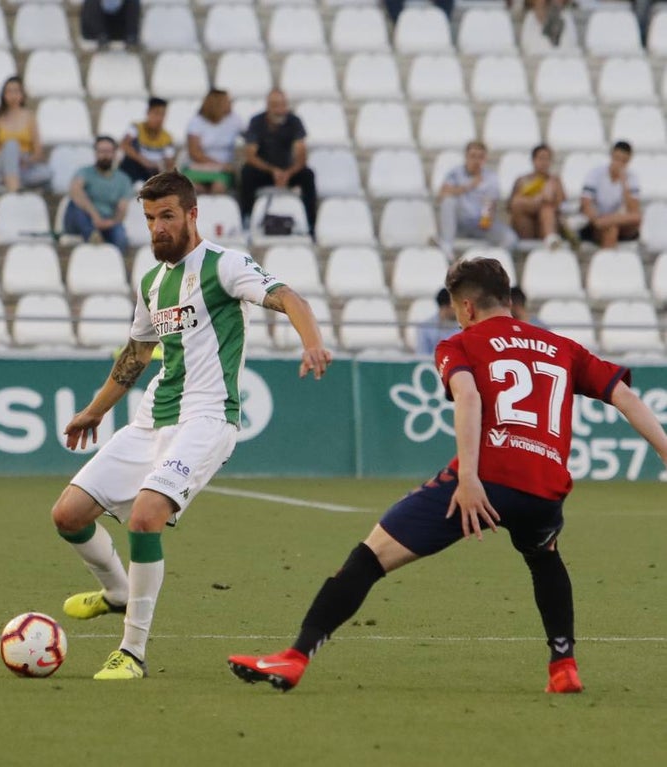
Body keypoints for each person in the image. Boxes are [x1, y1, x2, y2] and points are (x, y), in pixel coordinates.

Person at [227, 257, 667, 695]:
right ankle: (563, 666)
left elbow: (469, 397)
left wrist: (471, 478)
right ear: (508, 301)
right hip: (544, 490)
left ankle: (295, 657)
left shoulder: (461, 344)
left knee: (369, 557)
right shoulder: (562, 347)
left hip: (482, 481)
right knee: (544, 555)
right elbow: (626, 398)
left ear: (467, 309)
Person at [52, 170, 333, 680]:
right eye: (149, 219)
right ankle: (117, 591)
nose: (157, 228)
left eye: (167, 217)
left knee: (145, 516)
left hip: (207, 418)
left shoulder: (224, 266)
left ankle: (132, 652)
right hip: (152, 418)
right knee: (68, 514)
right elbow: (137, 353)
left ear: (191, 214)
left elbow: (291, 298)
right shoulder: (153, 282)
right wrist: (95, 409)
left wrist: (311, 341)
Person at [239, 89, 317, 231]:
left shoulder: (294, 121)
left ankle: (311, 223)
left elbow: (301, 155)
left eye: (283, 105)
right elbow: (250, 155)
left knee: (308, 175)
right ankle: (246, 217)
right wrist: (273, 170)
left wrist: (288, 173)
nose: (280, 110)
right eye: (276, 105)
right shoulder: (257, 122)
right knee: (247, 173)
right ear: (268, 106)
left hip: (289, 172)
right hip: (265, 171)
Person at [435, 141, 517, 256]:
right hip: (460, 223)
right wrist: (469, 186)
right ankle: (447, 246)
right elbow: (443, 193)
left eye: (480, 157)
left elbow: (490, 204)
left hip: (481, 224)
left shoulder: (491, 177)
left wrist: (485, 222)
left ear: (485, 159)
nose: (476, 161)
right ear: (466, 157)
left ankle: (493, 265)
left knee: (510, 239)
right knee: (448, 201)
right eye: (473, 156)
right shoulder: (455, 173)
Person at [0, 76, 51, 193]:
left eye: (16, 91)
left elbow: (38, 152)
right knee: (11, 144)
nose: (13, 95)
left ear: (22, 94)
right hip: (1, 161)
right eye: (9, 91)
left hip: (23, 163)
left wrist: (27, 161)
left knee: (46, 173)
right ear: (3, 95)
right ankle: (14, 187)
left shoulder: (30, 117)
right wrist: (8, 157)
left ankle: (8, 181)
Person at [63, 136, 132, 253]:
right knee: (75, 205)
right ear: (95, 153)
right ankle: (92, 236)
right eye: (101, 151)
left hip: (108, 220)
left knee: (120, 236)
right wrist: (95, 216)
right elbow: (75, 191)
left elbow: (122, 209)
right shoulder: (84, 172)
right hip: (83, 219)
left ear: (115, 153)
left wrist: (111, 222)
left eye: (108, 151)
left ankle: (116, 264)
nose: (105, 155)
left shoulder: (123, 179)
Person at [580, 141, 641, 248]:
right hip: (596, 220)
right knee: (612, 229)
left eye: (624, 161)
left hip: (615, 220)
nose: (619, 163)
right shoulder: (595, 174)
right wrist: (596, 220)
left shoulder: (631, 178)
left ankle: (606, 222)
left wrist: (624, 184)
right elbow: (586, 204)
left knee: (635, 218)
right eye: (617, 159)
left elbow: (633, 211)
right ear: (611, 156)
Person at [182, 89, 243, 194]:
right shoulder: (196, 122)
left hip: (224, 170)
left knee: (218, 188)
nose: (231, 104)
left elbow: (249, 135)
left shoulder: (234, 120)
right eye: (228, 101)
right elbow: (195, 153)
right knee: (195, 189)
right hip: (199, 167)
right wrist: (219, 165)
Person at [509, 144, 566, 248]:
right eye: (541, 158)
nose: (544, 163)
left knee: (547, 208)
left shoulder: (555, 181)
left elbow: (559, 205)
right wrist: (539, 200)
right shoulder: (522, 180)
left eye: (547, 159)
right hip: (526, 226)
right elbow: (513, 205)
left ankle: (550, 239)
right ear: (533, 160)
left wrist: (548, 193)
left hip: (547, 224)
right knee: (520, 202)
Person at [119, 97, 175, 184]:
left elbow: (169, 162)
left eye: (163, 114)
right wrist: (143, 161)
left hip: (152, 171)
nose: (159, 118)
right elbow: (124, 145)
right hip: (136, 165)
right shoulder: (136, 128)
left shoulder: (167, 138)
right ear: (148, 113)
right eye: (156, 113)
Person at [415, 287, 459, 355]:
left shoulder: (464, 326)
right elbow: (422, 356)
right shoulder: (425, 328)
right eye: (456, 306)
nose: (459, 310)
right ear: (445, 307)